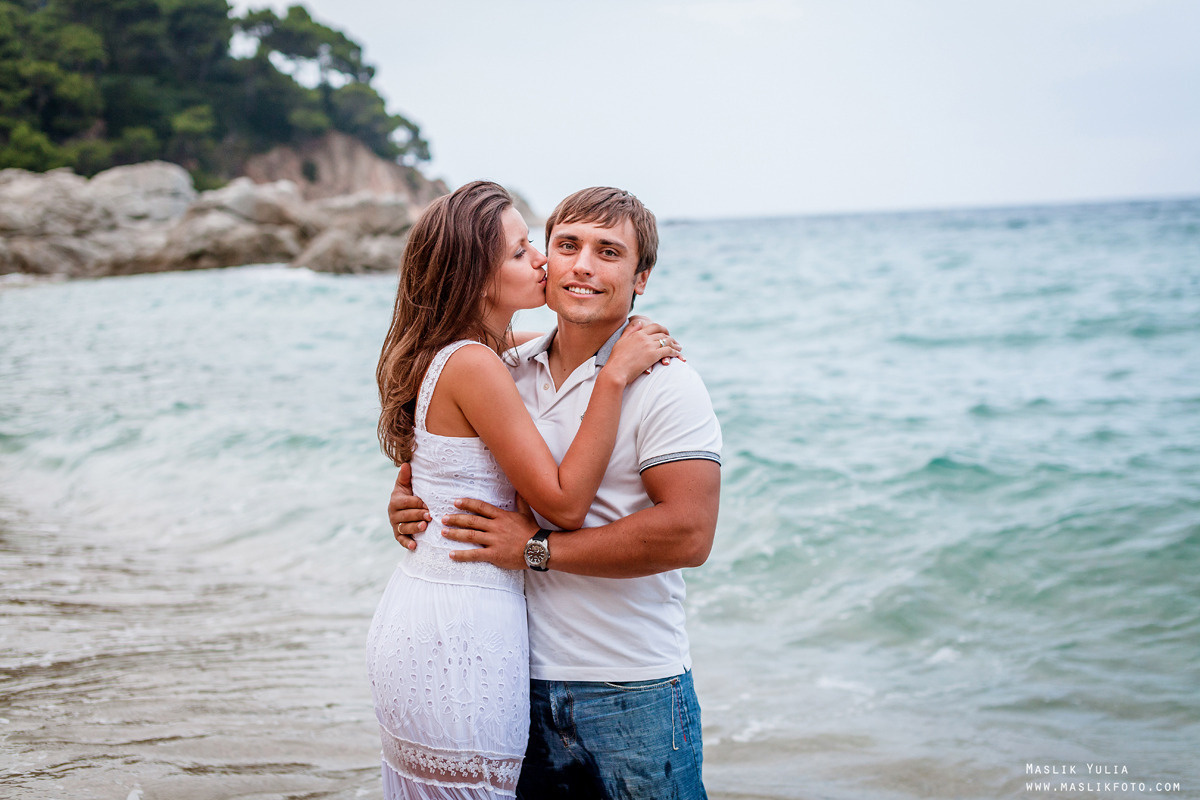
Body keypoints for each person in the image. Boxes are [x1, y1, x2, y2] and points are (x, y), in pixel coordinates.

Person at [389, 186, 722, 799]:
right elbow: (445, 455)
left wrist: (536, 549)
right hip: (515, 679)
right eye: (566, 245)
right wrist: (409, 499)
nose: (582, 266)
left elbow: (690, 534)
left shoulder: (667, 384)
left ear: (640, 277)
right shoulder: (505, 369)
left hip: (631, 685)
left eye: (609, 252)